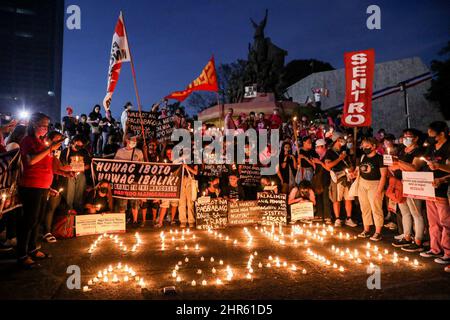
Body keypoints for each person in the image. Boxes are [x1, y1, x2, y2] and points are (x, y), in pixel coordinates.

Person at [17, 113, 71, 268]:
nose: (46, 129)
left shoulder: (42, 142)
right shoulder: (28, 141)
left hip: (43, 186)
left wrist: (63, 172)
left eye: (48, 125)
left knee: (38, 219)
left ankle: (33, 249)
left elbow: (48, 165)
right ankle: (21, 254)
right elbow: (31, 160)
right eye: (43, 125)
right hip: (31, 185)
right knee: (29, 220)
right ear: (34, 124)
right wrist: (50, 149)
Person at [405, 121, 450, 265]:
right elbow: (419, 163)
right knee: (433, 223)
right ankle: (435, 248)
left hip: (444, 190)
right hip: (430, 189)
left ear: (442, 134)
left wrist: (440, 170)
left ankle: (448, 252)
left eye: (433, 136)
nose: (430, 138)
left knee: (446, 222)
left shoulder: (448, 147)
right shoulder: (431, 148)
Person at [389, 129, 425, 252]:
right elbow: (393, 165)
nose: (406, 139)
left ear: (416, 138)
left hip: (413, 184)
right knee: (405, 212)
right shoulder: (402, 150)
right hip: (400, 184)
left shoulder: (419, 151)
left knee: (416, 213)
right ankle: (407, 236)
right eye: (404, 136)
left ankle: (419, 240)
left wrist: (399, 163)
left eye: (409, 136)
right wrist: (399, 164)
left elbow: (414, 168)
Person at [356, 137, 388, 241]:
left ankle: (378, 232)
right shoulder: (362, 157)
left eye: (367, 146)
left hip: (375, 184)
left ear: (374, 146)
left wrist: (379, 190)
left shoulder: (380, 158)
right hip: (363, 183)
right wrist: (353, 174)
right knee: (364, 207)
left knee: (376, 208)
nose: (364, 148)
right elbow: (359, 170)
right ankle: (366, 230)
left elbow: (383, 175)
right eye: (363, 146)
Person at [324, 132, 357, 227]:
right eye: (341, 138)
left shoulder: (344, 150)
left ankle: (349, 218)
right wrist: (339, 159)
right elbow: (328, 165)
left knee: (348, 198)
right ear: (336, 140)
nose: (343, 140)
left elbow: (350, 162)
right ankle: (337, 219)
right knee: (337, 199)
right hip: (337, 177)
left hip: (347, 177)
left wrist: (351, 169)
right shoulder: (329, 152)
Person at [114, 134, 146, 227]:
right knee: (122, 203)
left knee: (134, 202)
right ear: (127, 141)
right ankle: (121, 223)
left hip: (134, 181)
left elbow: (143, 165)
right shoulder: (120, 152)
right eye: (133, 140)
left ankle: (135, 221)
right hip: (123, 181)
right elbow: (114, 165)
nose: (135, 142)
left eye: (136, 140)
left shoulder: (139, 152)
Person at [59, 135, 91, 212]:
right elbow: (61, 164)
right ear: (73, 141)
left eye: (81, 145)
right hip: (69, 173)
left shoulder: (84, 152)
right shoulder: (66, 151)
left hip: (80, 173)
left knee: (80, 188)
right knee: (70, 188)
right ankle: (69, 208)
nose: (79, 146)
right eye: (78, 144)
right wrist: (70, 169)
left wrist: (80, 168)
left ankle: (78, 207)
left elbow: (88, 165)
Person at [155, 146, 179, 227]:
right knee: (164, 204)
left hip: (175, 185)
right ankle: (160, 222)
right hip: (166, 185)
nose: (169, 154)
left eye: (171, 152)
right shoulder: (164, 161)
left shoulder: (178, 161)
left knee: (174, 204)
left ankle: (172, 220)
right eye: (168, 153)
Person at [312, 139, 332, 223]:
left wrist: (319, 162)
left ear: (323, 147)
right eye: (316, 147)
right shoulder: (320, 157)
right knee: (319, 197)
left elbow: (328, 168)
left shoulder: (328, 155)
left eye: (318, 147)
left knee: (325, 198)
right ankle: (320, 215)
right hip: (319, 180)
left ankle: (328, 216)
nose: (316, 149)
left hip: (326, 179)